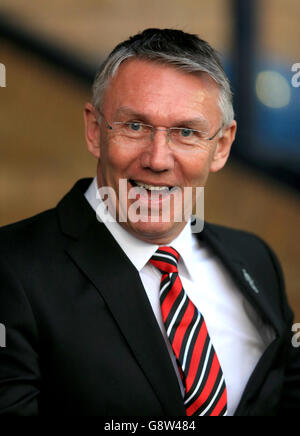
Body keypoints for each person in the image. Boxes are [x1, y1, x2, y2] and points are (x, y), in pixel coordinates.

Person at [0, 28, 299, 417]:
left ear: (221, 146)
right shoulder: (12, 269)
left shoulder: (255, 258)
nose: (157, 159)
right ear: (94, 130)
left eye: (186, 132)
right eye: (135, 126)